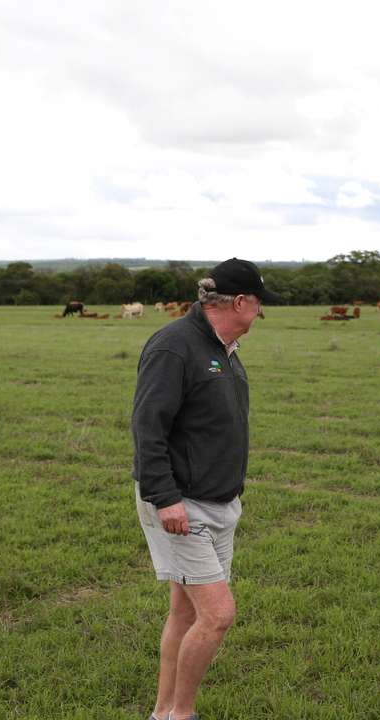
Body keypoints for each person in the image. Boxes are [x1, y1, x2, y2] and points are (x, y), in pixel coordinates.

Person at [132, 258, 278, 720]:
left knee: (187, 612)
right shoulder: (175, 346)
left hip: (219, 502)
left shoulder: (225, 347)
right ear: (239, 301)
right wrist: (166, 498)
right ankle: (181, 715)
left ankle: (161, 713)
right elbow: (148, 428)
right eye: (258, 304)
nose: (260, 313)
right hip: (181, 504)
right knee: (217, 615)